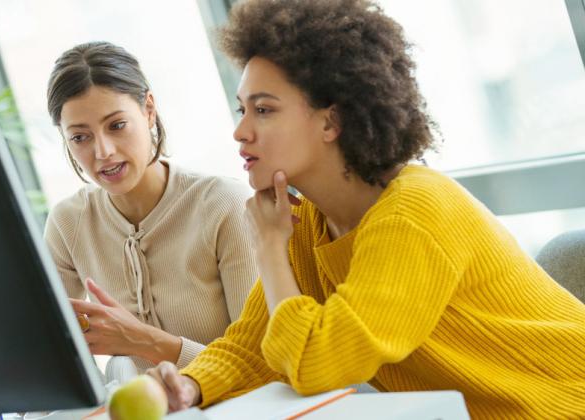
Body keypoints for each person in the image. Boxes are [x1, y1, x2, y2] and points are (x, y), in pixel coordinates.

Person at [146, 0, 585, 418]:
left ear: (331, 122)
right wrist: (190, 385)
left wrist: (267, 249)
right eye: (241, 109)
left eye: (264, 110)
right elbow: (255, 345)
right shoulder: (306, 223)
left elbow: (316, 364)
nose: (240, 131)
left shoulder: (413, 213)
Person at [44, 41, 257, 372]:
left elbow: (259, 366)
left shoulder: (223, 204)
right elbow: (47, 351)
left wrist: (142, 340)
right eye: (80, 137)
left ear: (148, 109)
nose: (103, 152)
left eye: (116, 125)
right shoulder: (67, 222)